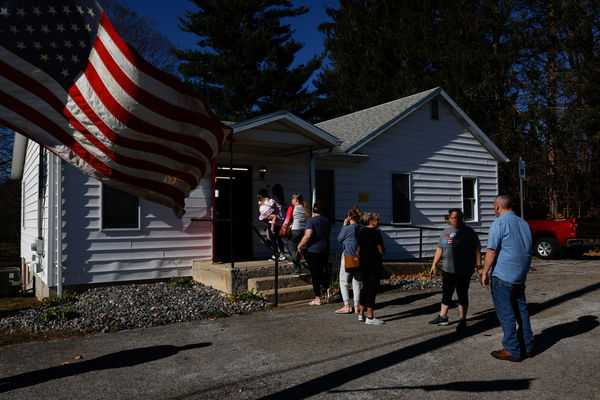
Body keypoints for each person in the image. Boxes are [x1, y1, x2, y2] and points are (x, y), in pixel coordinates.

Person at [481, 195, 534, 362]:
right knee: (521, 311)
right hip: (519, 275)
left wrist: (484, 272)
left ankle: (512, 349)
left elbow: (492, 251)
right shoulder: (524, 223)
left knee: (506, 312)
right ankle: (527, 345)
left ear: (497, 207)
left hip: (503, 274)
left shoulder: (499, 223)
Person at [428, 208, 482, 331]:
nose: (456, 220)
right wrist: (434, 264)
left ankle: (462, 319)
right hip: (447, 269)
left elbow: (477, 250)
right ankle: (443, 317)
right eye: (453, 217)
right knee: (446, 293)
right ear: (449, 218)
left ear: (462, 218)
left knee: (462, 294)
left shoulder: (469, 232)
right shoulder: (445, 232)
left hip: (464, 270)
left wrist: (479, 266)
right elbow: (440, 249)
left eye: (458, 217)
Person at [297, 200, 331, 306]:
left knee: (315, 273)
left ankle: (317, 298)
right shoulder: (327, 221)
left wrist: (299, 245)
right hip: (325, 248)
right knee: (322, 271)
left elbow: (308, 235)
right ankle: (328, 291)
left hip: (313, 250)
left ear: (313, 210)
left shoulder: (311, 221)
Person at [358, 212, 385, 325]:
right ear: (371, 221)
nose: (378, 222)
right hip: (374, 263)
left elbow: (359, 248)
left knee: (365, 287)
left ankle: (361, 314)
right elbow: (381, 250)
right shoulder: (376, 233)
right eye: (377, 220)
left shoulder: (360, 232)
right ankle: (370, 317)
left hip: (363, 263)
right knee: (372, 289)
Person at [335, 206, 362, 314]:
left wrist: (343, 226)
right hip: (359, 257)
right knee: (356, 282)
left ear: (349, 216)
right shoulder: (360, 228)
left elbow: (339, 239)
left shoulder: (348, 228)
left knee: (343, 281)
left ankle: (346, 305)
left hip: (348, 257)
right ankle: (356, 306)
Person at [284, 193, 311, 276]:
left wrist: (283, 228)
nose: (291, 200)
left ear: (296, 199)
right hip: (303, 231)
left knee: (293, 250)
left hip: (295, 230)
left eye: (292, 198)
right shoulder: (304, 208)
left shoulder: (292, 208)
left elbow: (287, 220)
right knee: (300, 248)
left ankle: (296, 270)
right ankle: (308, 267)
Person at [270, 184, 287, 261]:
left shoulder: (273, 199)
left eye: (273, 189)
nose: (271, 190)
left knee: (273, 238)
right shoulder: (281, 199)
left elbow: (269, 209)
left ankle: (275, 254)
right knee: (279, 238)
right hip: (281, 222)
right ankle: (282, 253)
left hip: (274, 221)